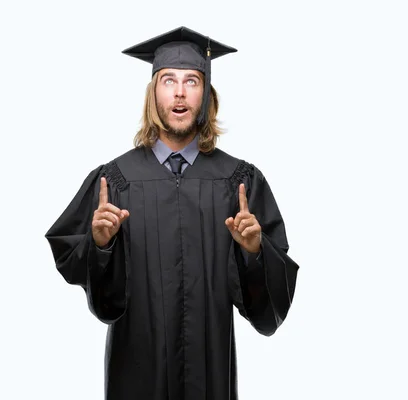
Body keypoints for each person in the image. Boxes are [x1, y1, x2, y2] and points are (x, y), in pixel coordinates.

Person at [45, 26, 299, 400]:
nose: (179, 92)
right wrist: (99, 246)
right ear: (153, 95)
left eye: (191, 81)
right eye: (168, 81)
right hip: (135, 370)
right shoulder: (115, 180)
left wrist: (254, 252)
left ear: (206, 95)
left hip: (208, 373)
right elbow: (72, 256)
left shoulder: (239, 182)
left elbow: (271, 297)